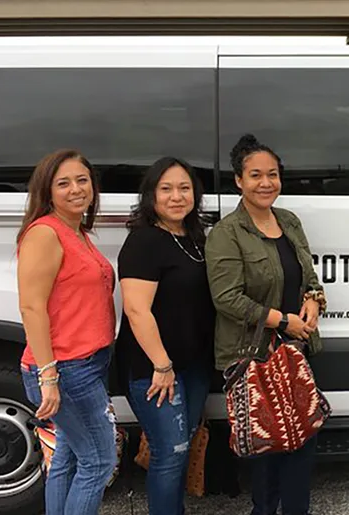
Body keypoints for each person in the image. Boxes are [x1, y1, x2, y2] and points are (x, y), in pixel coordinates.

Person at [205, 134, 327, 515]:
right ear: (238, 180)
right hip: (252, 356)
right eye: (255, 175)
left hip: (295, 352)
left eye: (272, 174)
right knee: (267, 445)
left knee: (301, 441)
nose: (265, 183)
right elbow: (226, 298)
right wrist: (282, 321)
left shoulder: (289, 222)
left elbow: (309, 276)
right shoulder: (227, 233)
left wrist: (313, 300)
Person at [16, 149, 117, 515]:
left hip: (84, 364)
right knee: (98, 462)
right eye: (63, 183)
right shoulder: (45, 233)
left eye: (82, 180)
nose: (76, 189)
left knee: (69, 457)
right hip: (67, 369)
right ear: (47, 190)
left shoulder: (76, 232)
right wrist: (49, 376)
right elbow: (31, 306)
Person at [115, 157, 216, 515]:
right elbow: (136, 310)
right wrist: (162, 364)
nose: (177, 196)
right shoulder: (144, 241)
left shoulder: (194, 238)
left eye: (185, 188)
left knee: (181, 447)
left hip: (192, 367)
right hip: (157, 370)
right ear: (151, 195)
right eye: (167, 188)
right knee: (169, 453)